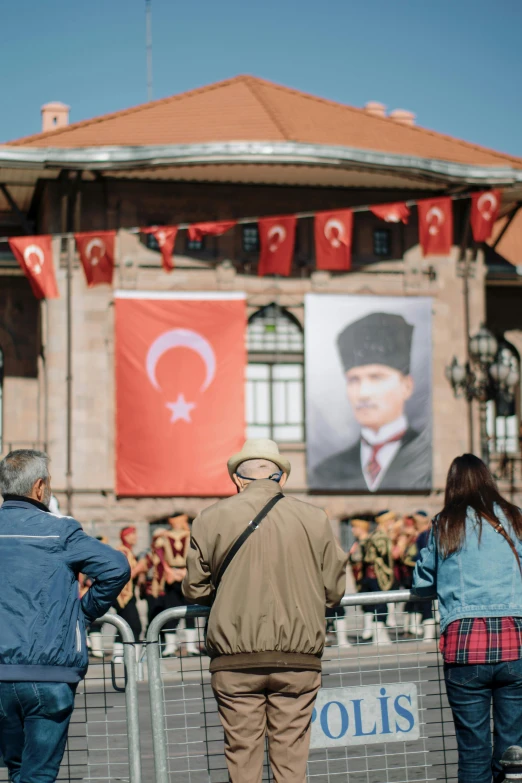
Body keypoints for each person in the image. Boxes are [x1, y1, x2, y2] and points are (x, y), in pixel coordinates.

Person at [183, 438, 347, 783]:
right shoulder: (314, 519)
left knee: (242, 757)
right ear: (281, 479)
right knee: (291, 759)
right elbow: (334, 591)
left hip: (234, 658)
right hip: (298, 658)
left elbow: (195, 589)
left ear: (237, 481)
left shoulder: (209, 519)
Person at [0, 449, 129, 783]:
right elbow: (116, 568)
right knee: (38, 774)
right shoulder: (60, 531)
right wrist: (84, 613)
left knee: (16, 768)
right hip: (49, 670)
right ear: (40, 487)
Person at [413, 454, 522, 783]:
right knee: (512, 750)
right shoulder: (515, 519)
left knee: (473, 752)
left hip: (465, 647)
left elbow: (421, 584)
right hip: (515, 642)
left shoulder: (445, 523)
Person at [310, 312, 431, 491]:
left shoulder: (427, 460)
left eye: (376, 377)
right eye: (353, 380)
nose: (363, 393)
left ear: (406, 386)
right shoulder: (326, 472)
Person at [152, 513, 200, 656]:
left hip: (187, 574)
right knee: (170, 609)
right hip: (170, 575)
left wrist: (186, 570)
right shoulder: (163, 537)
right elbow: (158, 557)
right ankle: (170, 646)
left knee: (190, 611)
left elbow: (196, 555)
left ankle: (191, 646)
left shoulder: (191, 536)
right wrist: (169, 571)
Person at [113, 526, 147, 662]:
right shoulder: (122, 551)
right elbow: (124, 574)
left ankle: (119, 656)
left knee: (124, 624)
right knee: (134, 625)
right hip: (123, 595)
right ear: (126, 537)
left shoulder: (128, 551)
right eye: (133, 535)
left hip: (128, 594)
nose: (135, 538)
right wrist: (138, 568)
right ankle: (132, 656)